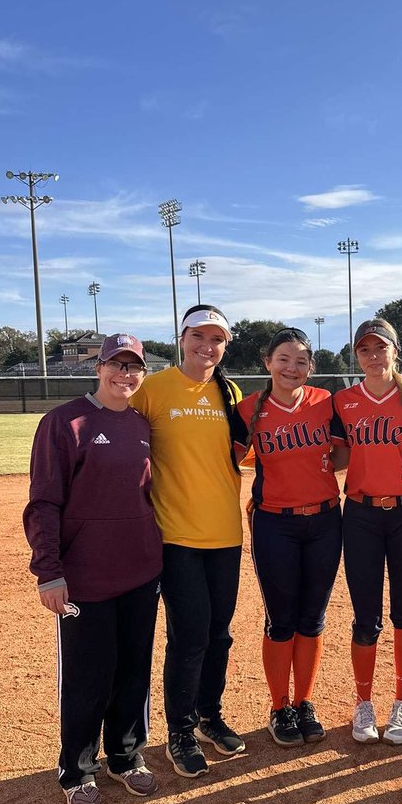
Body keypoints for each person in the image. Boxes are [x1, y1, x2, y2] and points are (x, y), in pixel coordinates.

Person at [23, 333, 163, 804]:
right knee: (88, 675)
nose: (124, 375)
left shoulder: (144, 425)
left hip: (141, 568)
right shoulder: (64, 422)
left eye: (133, 368)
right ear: (99, 368)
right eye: (116, 365)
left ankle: (126, 757)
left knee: (132, 670)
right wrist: (49, 571)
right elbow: (43, 502)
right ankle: (77, 768)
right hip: (85, 575)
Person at [130, 305, 245, 779]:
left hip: (226, 532)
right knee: (190, 633)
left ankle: (206, 716)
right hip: (176, 534)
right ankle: (178, 728)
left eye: (217, 339)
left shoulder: (229, 390)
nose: (208, 346)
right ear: (182, 338)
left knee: (219, 633)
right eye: (199, 336)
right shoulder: (151, 389)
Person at [234, 328, 342, 746]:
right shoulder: (249, 410)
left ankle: (304, 702)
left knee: (312, 618)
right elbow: (229, 458)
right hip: (275, 524)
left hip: (325, 521)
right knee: (281, 619)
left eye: (300, 361)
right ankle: (279, 707)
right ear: (267, 363)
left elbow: (343, 453)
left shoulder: (325, 403)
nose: (291, 368)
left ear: (310, 368)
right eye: (283, 359)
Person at [331, 317, 402, 746]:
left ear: (395, 351)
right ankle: (363, 703)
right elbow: (336, 458)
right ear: (357, 355)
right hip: (360, 515)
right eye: (365, 350)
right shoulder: (343, 401)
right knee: (365, 615)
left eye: (381, 348)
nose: (373, 357)